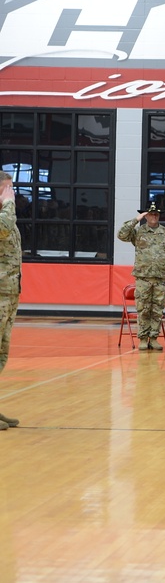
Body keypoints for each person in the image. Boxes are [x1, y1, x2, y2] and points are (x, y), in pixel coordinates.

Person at [116, 202, 165, 350]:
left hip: (161, 278)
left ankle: (154, 338)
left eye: (156, 214)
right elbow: (121, 234)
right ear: (146, 215)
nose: (154, 216)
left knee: (157, 310)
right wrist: (136, 220)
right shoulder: (138, 232)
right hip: (143, 277)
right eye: (151, 214)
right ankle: (143, 338)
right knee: (143, 308)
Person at [0, 172, 21, 431]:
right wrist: (8, 203)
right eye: (7, 188)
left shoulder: (7, 215)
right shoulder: (6, 215)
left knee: (1, 354)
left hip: (7, 293)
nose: (11, 193)